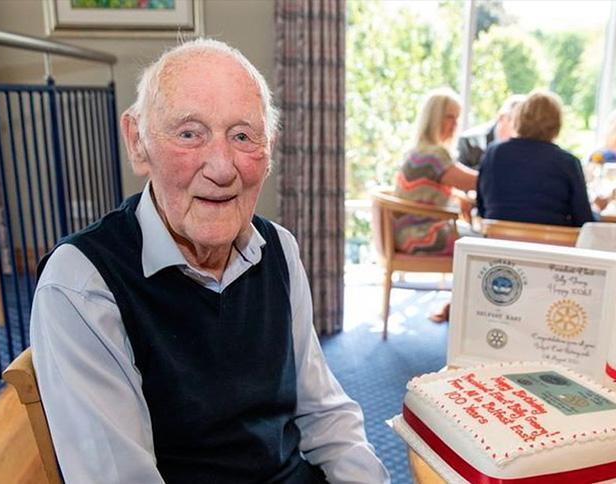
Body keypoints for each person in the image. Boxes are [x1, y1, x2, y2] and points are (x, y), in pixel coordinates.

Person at [30, 39, 390, 483]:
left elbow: (324, 411)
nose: (221, 168)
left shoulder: (279, 249)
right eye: (189, 133)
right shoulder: (82, 283)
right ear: (138, 142)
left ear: (269, 148)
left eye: (242, 136)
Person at [477, 89, 594, 227]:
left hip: (496, 242)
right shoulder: (568, 162)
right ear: (557, 124)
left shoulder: (494, 153)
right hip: (550, 244)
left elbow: (482, 207)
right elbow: (583, 220)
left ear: (519, 118)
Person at [393, 87, 477, 256]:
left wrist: (457, 196)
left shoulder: (417, 151)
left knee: (477, 238)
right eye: (449, 117)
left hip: (405, 233)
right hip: (421, 236)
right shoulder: (435, 155)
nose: (455, 124)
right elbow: (475, 182)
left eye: (457, 118)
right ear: (434, 119)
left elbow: (424, 191)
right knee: (484, 242)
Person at [456, 95, 525, 169]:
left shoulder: (525, 146)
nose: (522, 129)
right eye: (517, 122)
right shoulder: (469, 141)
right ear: (501, 117)